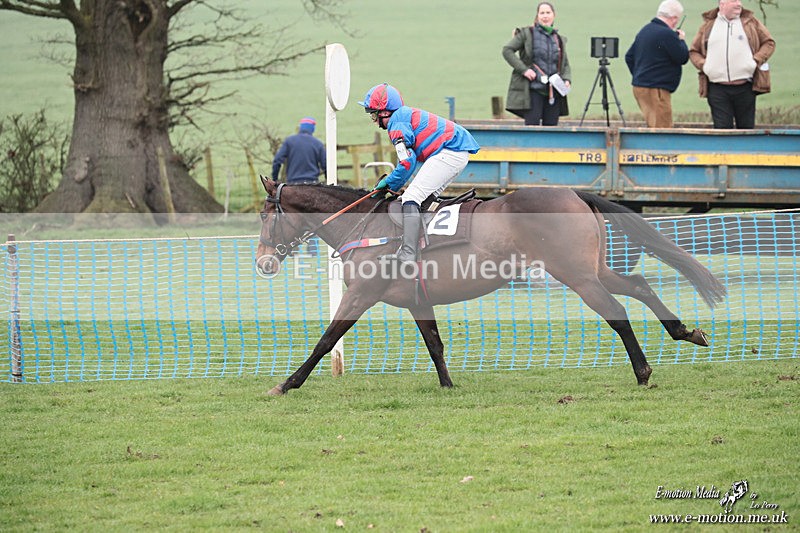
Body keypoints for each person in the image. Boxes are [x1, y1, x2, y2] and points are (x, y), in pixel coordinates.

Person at [358, 83, 480, 264]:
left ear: (384, 112)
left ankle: (408, 253)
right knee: (423, 199)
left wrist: (389, 183)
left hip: (449, 151)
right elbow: (410, 159)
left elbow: (407, 162)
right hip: (454, 152)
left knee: (411, 198)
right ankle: (427, 247)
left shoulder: (396, 124)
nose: (374, 120)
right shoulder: (402, 116)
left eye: (373, 114)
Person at [689, 0, 775, 129]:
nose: (739, 4)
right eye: (734, 1)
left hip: (745, 87)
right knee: (722, 132)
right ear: (722, 4)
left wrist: (755, 61)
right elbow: (694, 51)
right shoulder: (708, 26)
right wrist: (705, 66)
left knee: (746, 130)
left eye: (739, 1)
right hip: (717, 89)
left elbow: (769, 43)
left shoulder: (750, 22)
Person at [502, 2, 572, 126]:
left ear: (553, 15)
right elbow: (507, 50)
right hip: (532, 90)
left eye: (548, 13)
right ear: (537, 16)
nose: (545, 16)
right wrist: (524, 70)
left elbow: (564, 63)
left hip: (554, 90)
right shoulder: (527, 33)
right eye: (542, 13)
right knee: (532, 128)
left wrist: (567, 79)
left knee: (551, 129)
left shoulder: (559, 38)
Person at [624, 0, 689, 128]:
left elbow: (629, 57)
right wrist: (681, 41)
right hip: (657, 89)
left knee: (652, 125)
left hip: (640, 87)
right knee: (662, 129)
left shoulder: (645, 30)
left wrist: (640, 76)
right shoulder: (667, 34)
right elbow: (682, 57)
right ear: (674, 18)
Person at [271, 117, 326, 255]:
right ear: (312, 129)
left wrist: (274, 179)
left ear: (300, 127)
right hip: (312, 186)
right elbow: (326, 166)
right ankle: (313, 249)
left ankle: (292, 248)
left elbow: (277, 161)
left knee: (292, 216)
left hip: (293, 186)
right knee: (312, 216)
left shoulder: (290, 141)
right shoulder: (317, 144)